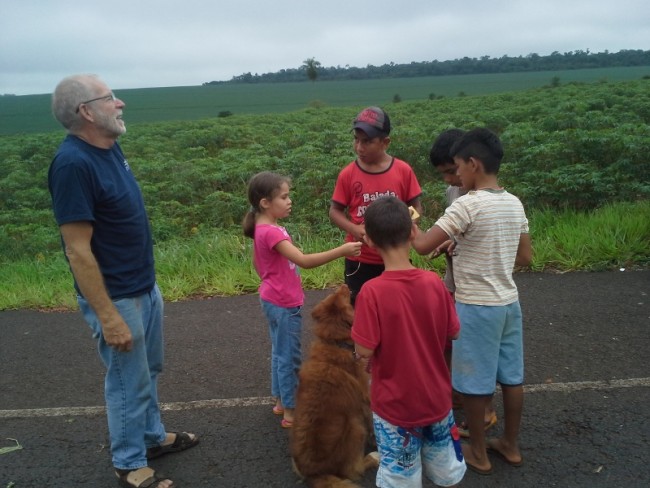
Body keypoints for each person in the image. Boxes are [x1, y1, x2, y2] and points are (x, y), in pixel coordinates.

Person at [48, 74, 198, 488]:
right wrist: (107, 315)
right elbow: (77, 249)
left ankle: (151, 438)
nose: (120, 104)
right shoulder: (73, 164)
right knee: (126, 382)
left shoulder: (109, 148)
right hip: (117, 297)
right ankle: (129, 464)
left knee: (147, 371)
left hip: (143, 287)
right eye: (110, 98)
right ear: (86, 112)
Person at [412, 128, 533, 475]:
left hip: (476, 307)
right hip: (509, 302)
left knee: (475, 384)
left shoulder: (467, 204)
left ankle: (478, 452)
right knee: (512, 378)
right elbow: (524, 256)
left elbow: (421, 245)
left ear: (474, 164)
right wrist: (480, 249)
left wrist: (408, 222)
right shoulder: (514, 202)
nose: (457, 175)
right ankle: (510, 445)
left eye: (459, 168)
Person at [351, 196, 466, 487]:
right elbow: (454, 332)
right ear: (413, 232)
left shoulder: (371, 292)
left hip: (394, 407)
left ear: (371, 242)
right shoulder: (434, 283)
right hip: (437, 399)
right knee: (446, 470)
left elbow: (364, 349)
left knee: (399, 476)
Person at [242, 171, 362, 428]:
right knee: (289, 357)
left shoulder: (262, 228)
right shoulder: (272, 232)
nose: (289, 201)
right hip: (284, 303)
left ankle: (281, 401)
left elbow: (257, 263)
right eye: (284, 197)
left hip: (272, 298)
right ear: (265, 202)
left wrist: (270, 278)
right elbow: (305, 262)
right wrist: (343, 250)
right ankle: (291, 411)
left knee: (279, 353)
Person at [429, 129, 497, 438]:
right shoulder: (454, 194)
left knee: (474, 347)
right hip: (455, 279)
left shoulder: (481, 197)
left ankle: (485, 409)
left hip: (477, 288)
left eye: (451, 171)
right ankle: (456, 395)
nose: (449, 179)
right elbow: (457, 232)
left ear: (467, 165)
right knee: (447, 338)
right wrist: (449, 244)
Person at [329, 106, 423, 306]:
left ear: (385, 142)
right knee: (360, 307)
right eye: (356, 139)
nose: (359, 147)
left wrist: (405, 224)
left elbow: (416, 207)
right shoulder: (348, 174)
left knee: (396, 306)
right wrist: (354, 229)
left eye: (367, 141)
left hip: (395, 256)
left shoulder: (402, 170)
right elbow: (335, 211)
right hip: (360, 259)